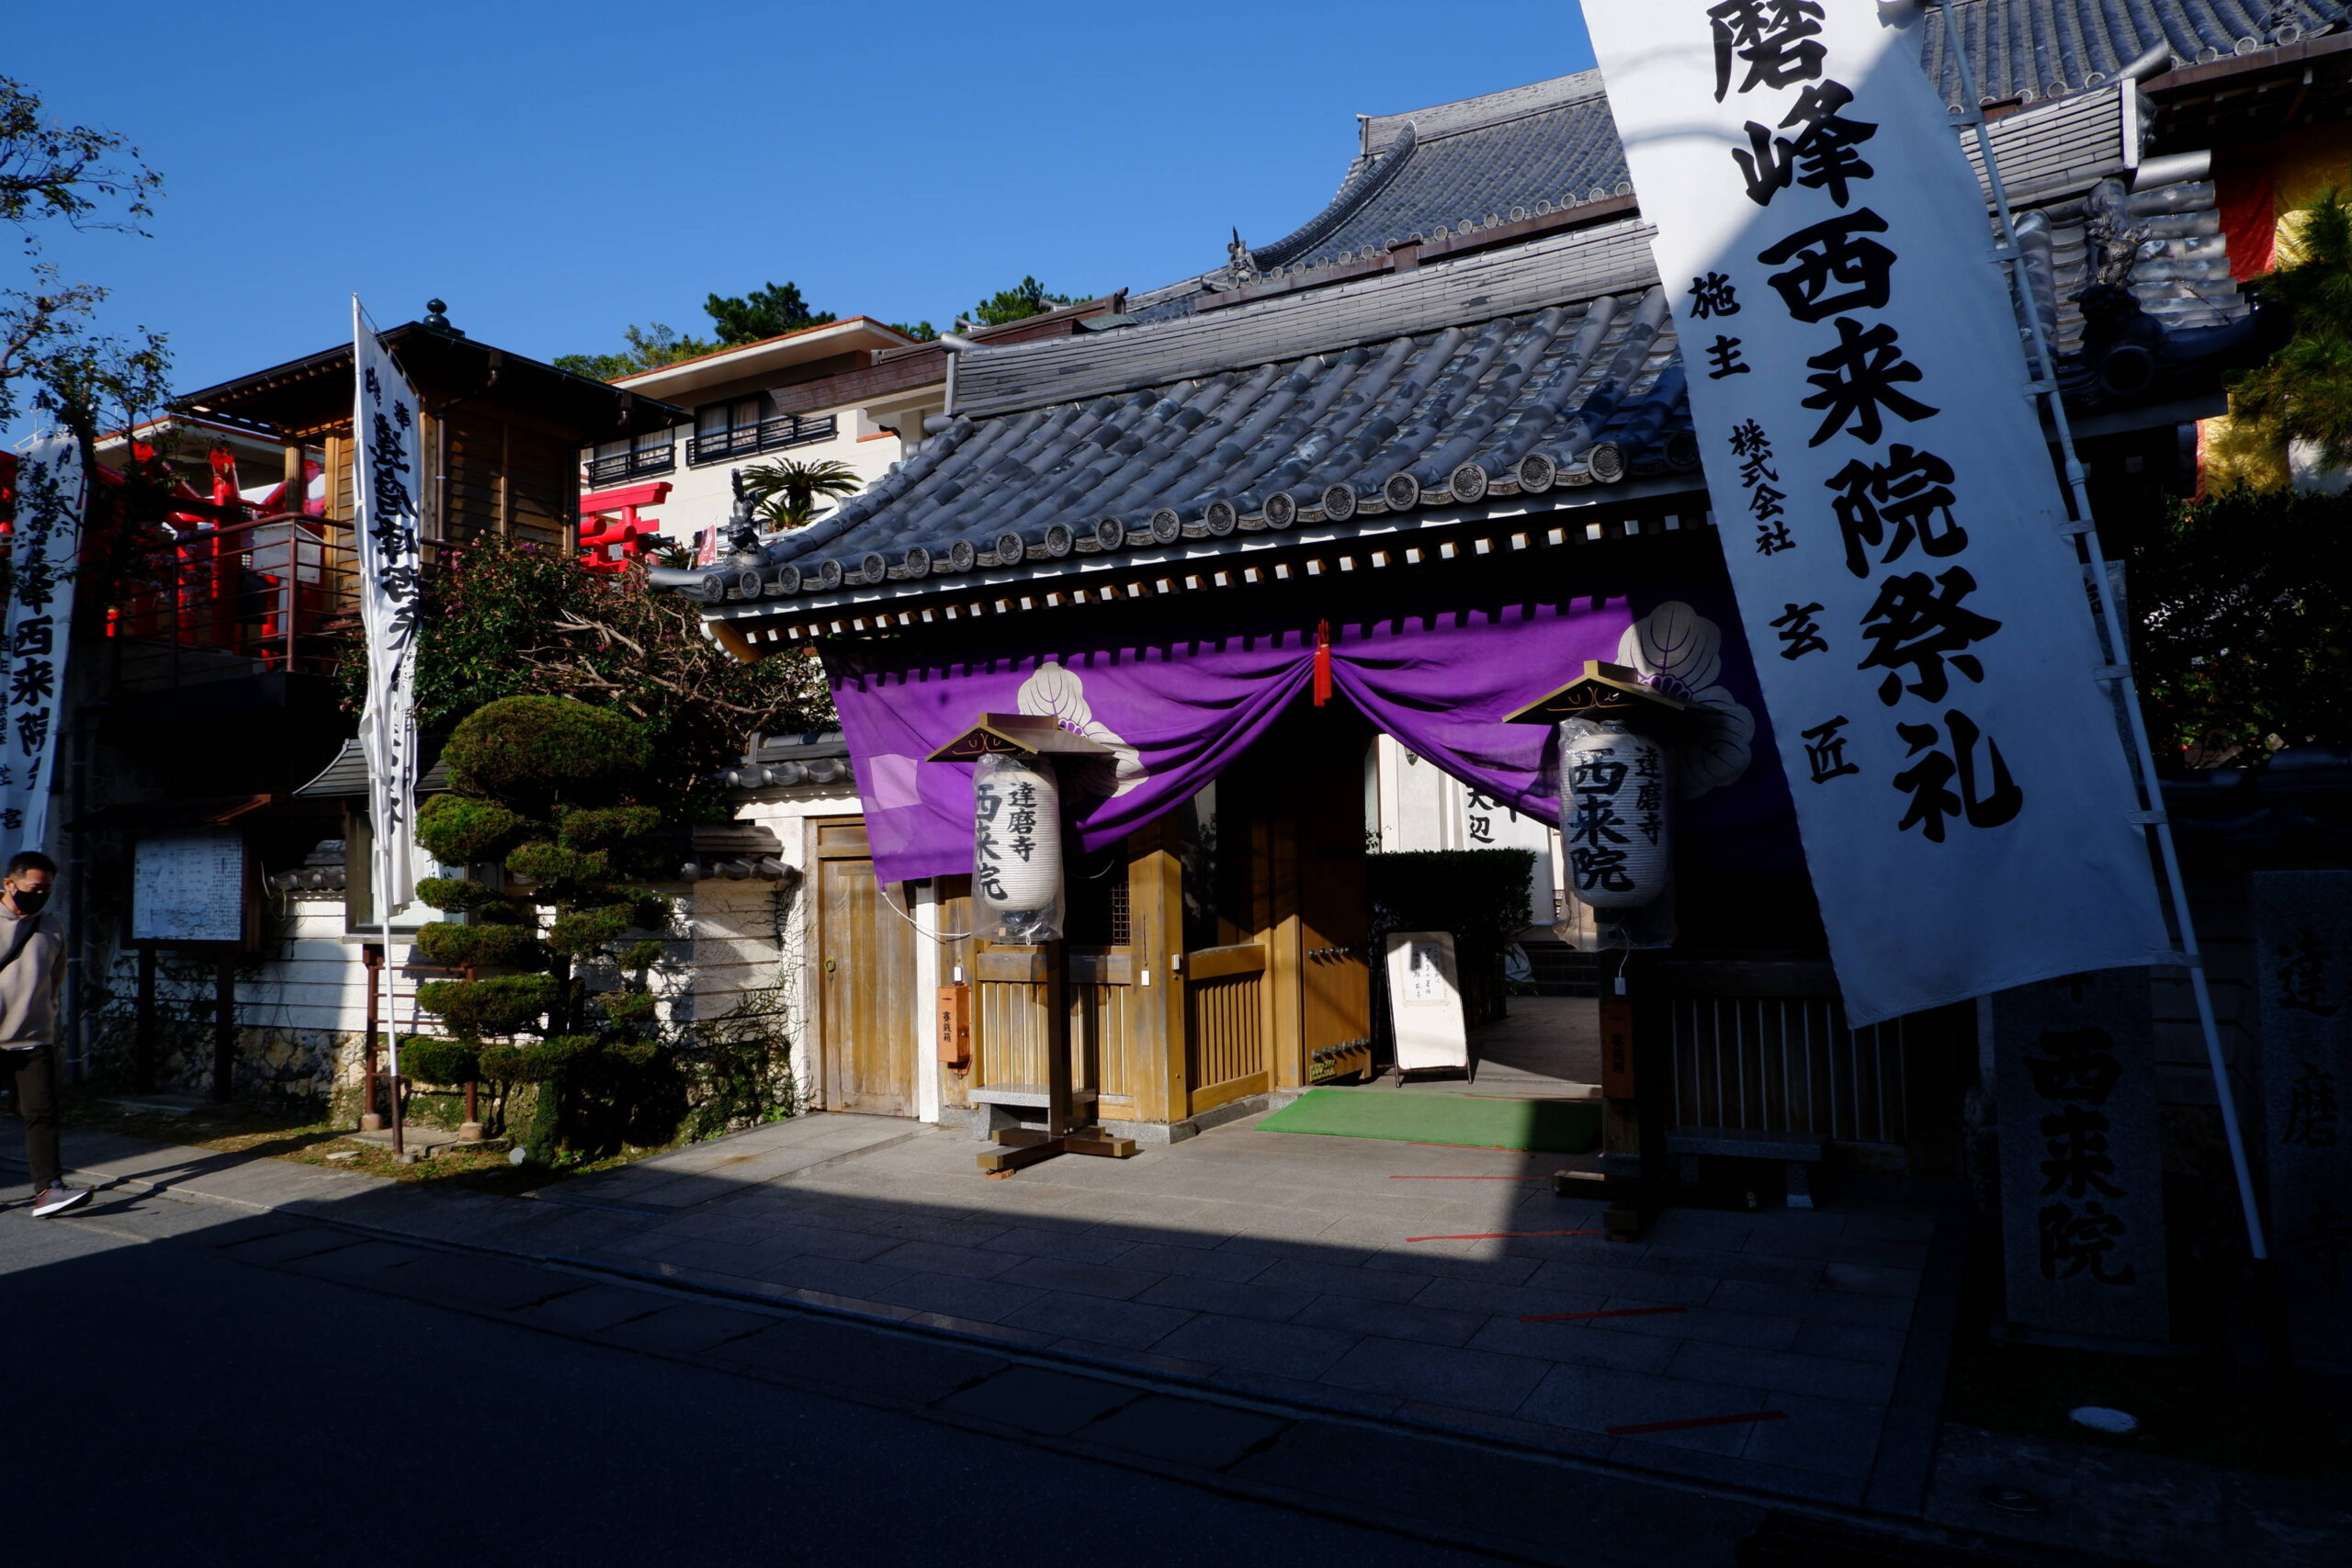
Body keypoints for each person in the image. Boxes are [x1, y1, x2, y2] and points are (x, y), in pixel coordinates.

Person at [2, 851, 88, 1217]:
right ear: (10, 884)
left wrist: (47, 1017)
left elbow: (55, 979)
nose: (39, 895)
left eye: (47, 889)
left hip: (34, 1037)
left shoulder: (51, 926)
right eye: (33, 888)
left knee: (42, 1113)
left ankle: (49, 1190)